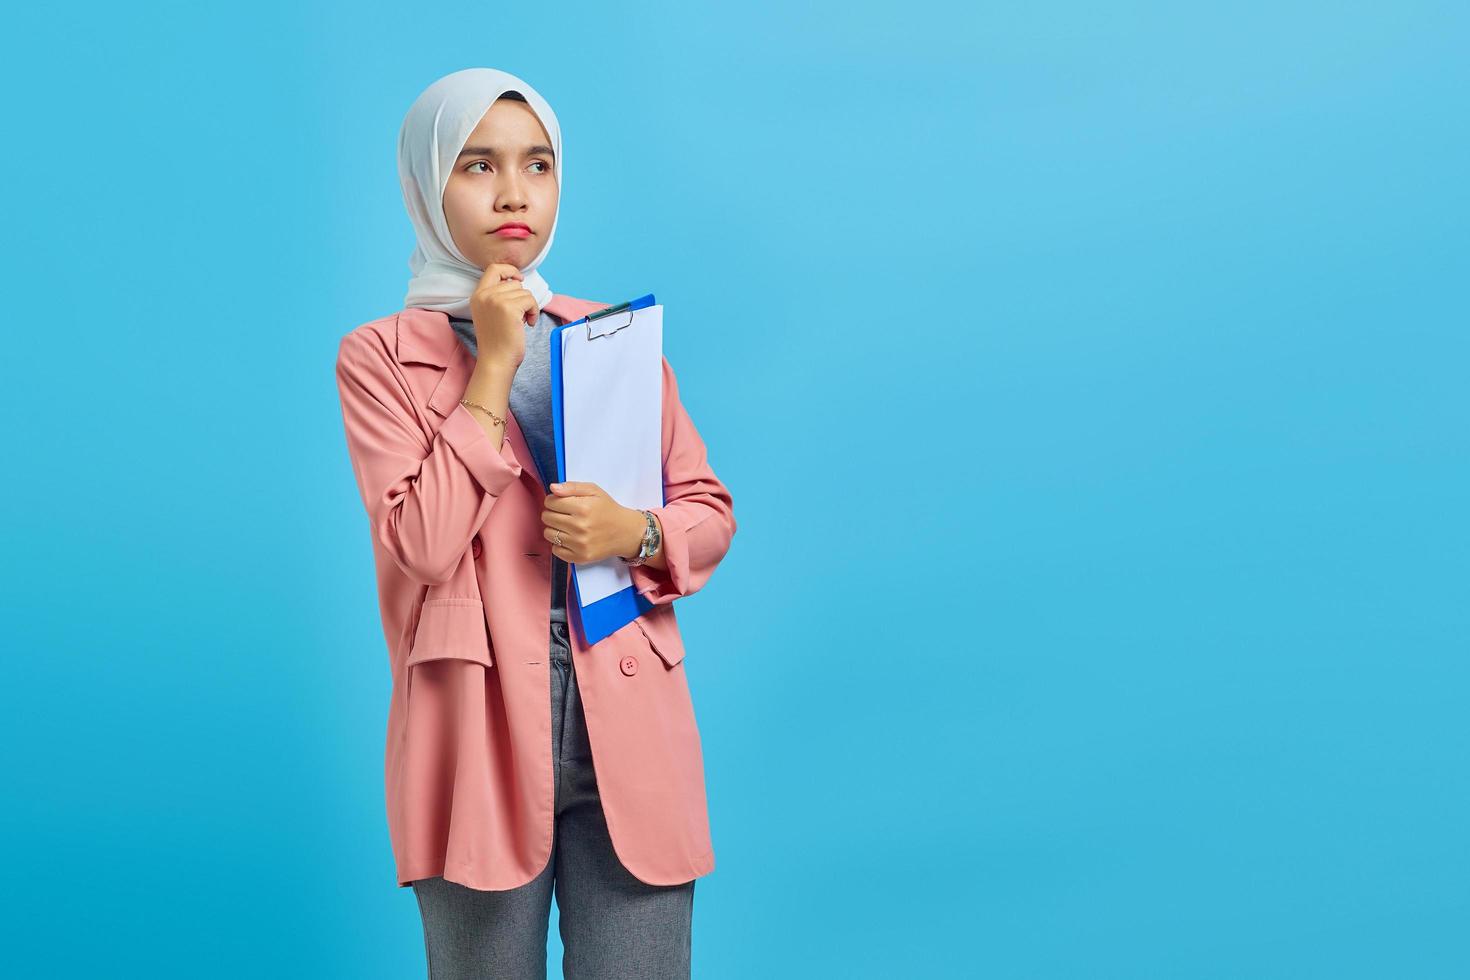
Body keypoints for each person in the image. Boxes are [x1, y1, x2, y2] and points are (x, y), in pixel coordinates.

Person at [333, 68, 737, 979]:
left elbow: (706, 510)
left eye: (538, 164)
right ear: (426, 183)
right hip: (475, 719)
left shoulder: (613, 337)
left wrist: (633, 532)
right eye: (477, 165)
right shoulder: (380, 358)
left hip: (626, 707)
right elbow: (422, 542)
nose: (515, 192)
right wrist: (492, 367)